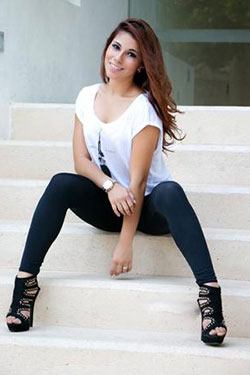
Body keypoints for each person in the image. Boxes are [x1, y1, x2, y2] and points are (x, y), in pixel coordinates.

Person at [6, 18, 227, 345]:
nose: (118, 58)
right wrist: (109, 186)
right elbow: (81, 161)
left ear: (141, 65)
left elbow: (137, 184)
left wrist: (126, 243)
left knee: (170, 191)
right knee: (60, 184)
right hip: (111, 202)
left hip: (150, 210)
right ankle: (25, 286)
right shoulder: (86, 97)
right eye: (116, 47)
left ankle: (210, 296)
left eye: (131, 55)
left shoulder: (144, 110)